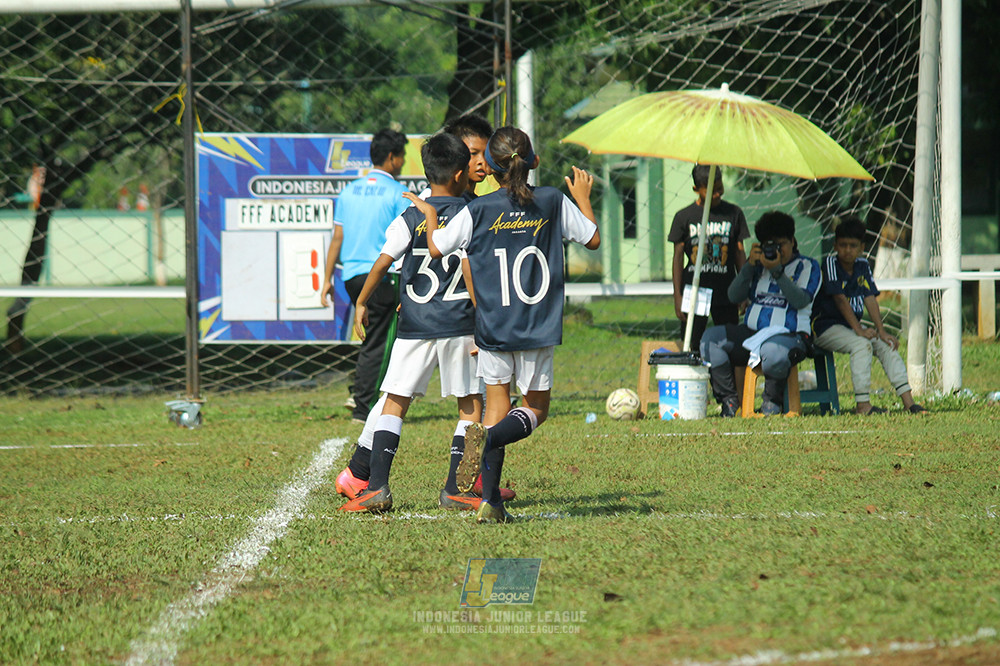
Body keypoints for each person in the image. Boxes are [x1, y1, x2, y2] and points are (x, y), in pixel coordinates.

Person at [333, 115, 516, 507]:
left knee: (395, 399)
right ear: (459, 168)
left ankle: (376, 484)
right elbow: (470, 270)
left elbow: (385, 261)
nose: (481, 162)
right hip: (459, 323)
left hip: (416, 323)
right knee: (470, 405)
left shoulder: (414, 212)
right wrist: (487, 317)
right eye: (473, 154)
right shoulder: (475, 215)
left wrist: (363, 301)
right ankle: (454, 487)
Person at [426, 126, 601, 523]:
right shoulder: (552, 200)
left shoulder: (477, 210)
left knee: (496, 408)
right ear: (534, 161)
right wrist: (583, 198)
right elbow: (591, 240)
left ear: (489, 167)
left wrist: (432, 215)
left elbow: (436, 248)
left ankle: (491, 501)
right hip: (536, 325)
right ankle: (490, 441)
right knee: (535, 408)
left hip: (493, 326)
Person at [320, 129, 410, 423]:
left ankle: (359, 390)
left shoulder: (349, 191)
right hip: (382, 276)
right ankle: (364, 406)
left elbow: (337, 238)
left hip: (352, 277)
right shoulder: (397, 193)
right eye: (402, 157)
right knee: (382, 344)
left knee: (372, 340)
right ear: (392, 157)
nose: (402, 162)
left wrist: (327, 279)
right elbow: (406, 240)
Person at [700, 211, 821, 417]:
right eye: (770, 245)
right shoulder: (757, 267)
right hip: (752, 333)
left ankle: (771, 402)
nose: (776, 251)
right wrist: (748, 267)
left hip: (790, 337)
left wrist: (777, 272)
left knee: (772, 351)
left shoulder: (807, 266)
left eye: (781, 244)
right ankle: (730, 402)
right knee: (711, 339)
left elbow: (800, 300)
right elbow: (733, 296)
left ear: (793, 241)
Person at [812, 216, 927, 415]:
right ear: (835, 246)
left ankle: (909, 403)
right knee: (861, 344)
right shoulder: (830, 264)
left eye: (853, 246)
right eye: (843, 245)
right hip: (825, 327)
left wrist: (881, 331)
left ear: (862, 247)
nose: (847, 250)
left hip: (850, 327)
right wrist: (859, 329)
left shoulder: (862, 265)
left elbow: (870, 297)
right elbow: (839, 299)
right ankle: (863, 405)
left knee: (886, 344)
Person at [669, 164, 749, 350]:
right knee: (692, 343)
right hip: (695, 291)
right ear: (696, 189)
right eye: (711, 191)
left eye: (720, 188)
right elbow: (678, 257)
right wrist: (678, 295)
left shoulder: (734, 214)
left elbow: (739, 253)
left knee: (729, 343)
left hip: (727, 291)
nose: (717, 194)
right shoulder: (684, 217)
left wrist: (744, 290)